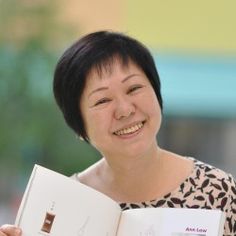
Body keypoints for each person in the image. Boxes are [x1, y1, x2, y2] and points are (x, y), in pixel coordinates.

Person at [1, 30, 235, 236]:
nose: (124, 110)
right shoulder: (63, 202)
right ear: (78, 126)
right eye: (102, 100)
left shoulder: (217, 190)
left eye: (133, 88)